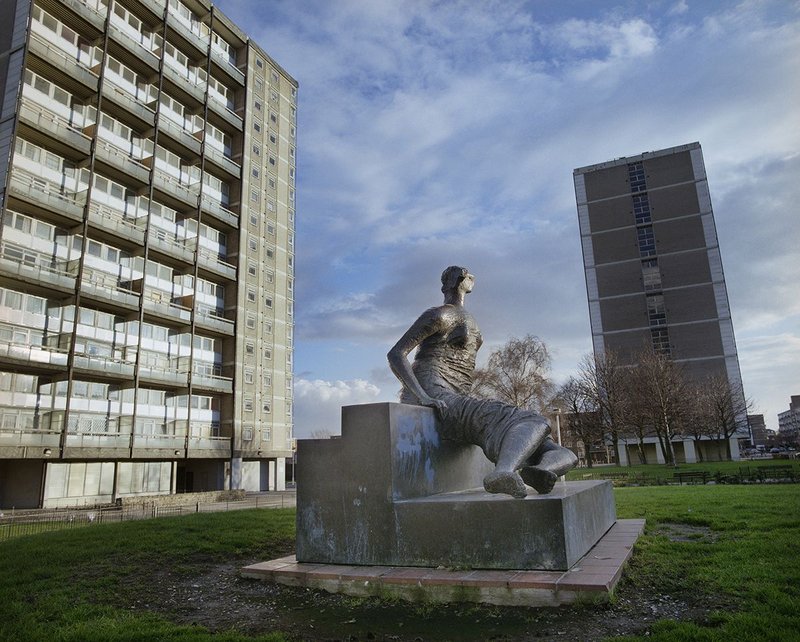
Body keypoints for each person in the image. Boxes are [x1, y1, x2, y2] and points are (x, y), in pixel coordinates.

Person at [387, 266, 577, 498]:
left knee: (559, 452)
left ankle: (541, 471)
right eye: (470, 277)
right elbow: (396, 354)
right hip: (438, 394)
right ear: (461, 279)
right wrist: (423, 397)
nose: (473, 280)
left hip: (459, 399)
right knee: (534, 421)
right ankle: (504, 472)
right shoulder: (440, 314)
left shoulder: (469, 319)